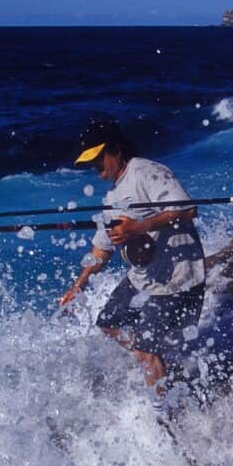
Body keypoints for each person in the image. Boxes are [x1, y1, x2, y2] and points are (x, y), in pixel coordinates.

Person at [59, 120, 206, 409]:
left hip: (175, 279)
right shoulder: (113, 197)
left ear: (115, 150)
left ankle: (165, 412)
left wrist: (138, 227)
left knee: (144, 349)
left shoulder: (147, 172)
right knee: (109, 323)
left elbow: (188, 209)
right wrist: (78, 286)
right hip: (143, 277)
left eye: (98, 159)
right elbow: (101, 249)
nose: (96, 168)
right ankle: (159, 363)